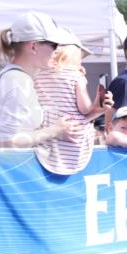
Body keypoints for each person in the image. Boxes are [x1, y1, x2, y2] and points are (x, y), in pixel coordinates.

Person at [0, 11, 85, 148]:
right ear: (33, 46)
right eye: (54, 45)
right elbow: (6, 142)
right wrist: (55, 130)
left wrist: (71, 72)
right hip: (16, 166)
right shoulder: (18, 80)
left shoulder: (16, 77)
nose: (57, 50)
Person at [33, 31, 112, 174]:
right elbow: (84, 109)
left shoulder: (37, 76)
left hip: (47, 142)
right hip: (73, 146)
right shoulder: (76, 77)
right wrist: (95, 101)